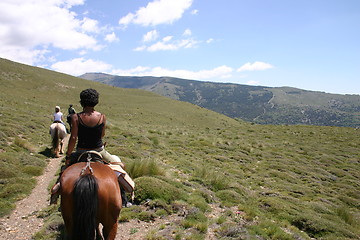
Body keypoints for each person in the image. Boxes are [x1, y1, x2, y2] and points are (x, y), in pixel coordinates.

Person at [51, 88, 131, 207]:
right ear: (96, 101)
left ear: (82, 101)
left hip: (80, 152)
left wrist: (68, 155)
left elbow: (73, 138)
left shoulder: (75, 117)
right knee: (118, 164)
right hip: (99, 151)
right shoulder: (102, 117)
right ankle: (124, 197)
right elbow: (102, 134)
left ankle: (56, 192)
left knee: (65, 170)